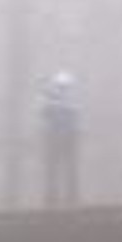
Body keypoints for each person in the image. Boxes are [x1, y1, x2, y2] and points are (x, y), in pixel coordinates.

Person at [40, 69, 81, 208]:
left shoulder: (69, 99)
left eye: (65, 86)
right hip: (55, 137)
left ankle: (70, 198)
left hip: (65, 136)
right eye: (62, 86)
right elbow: (45, 114)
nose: (63, 89)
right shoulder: (50, 99)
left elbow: (73, 116)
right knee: (55, 169)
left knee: (67, 169)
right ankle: (53, 198)